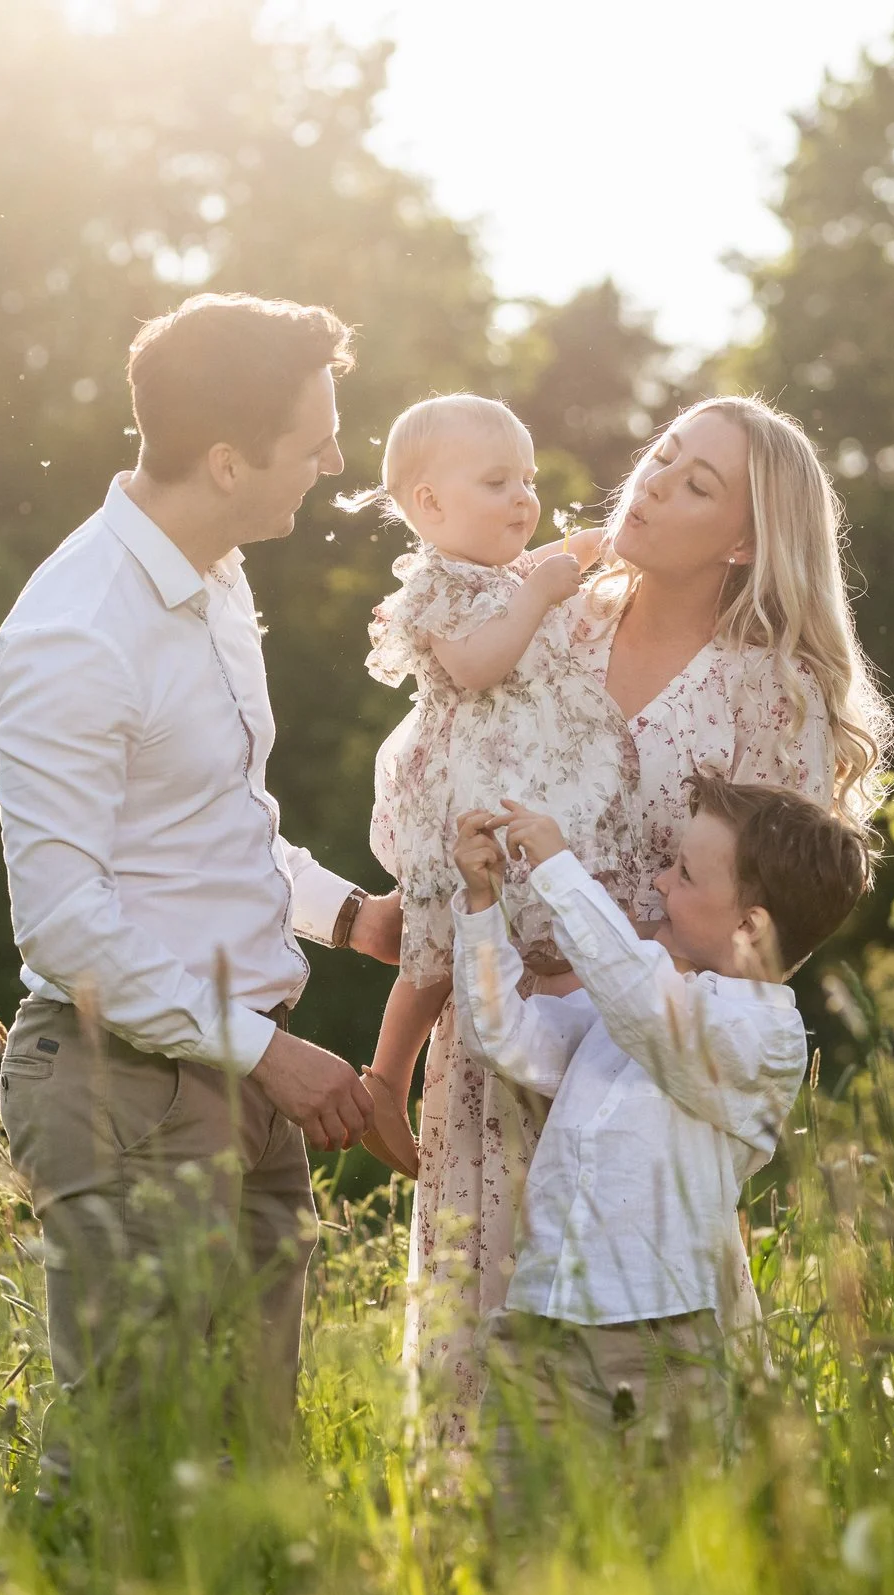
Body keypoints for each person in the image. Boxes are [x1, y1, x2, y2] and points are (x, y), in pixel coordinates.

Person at [404, 395, 894, 1449]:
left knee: (633, 1412)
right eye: (662, 457)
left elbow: (764, 915)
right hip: (503, 1039)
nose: (655, 482)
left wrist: (609, 970)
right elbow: (438, 780)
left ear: (746, 540)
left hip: (646, 1068)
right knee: (482, 1399)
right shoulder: (548, 614)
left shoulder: (776, 693)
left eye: (697, 482)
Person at [0, 293, 405, 1472]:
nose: (333, 460)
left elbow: (209, 825)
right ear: (226, 460)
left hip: (237, 1073)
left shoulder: (214, 575)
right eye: (315, 438)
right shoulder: (77, 631)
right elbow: (68, 923)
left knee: (249, 1471)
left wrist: (351, 917)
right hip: (125, 1091)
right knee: (130, 1466)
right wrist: (269, 1053)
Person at [447, 780, 872, 1476]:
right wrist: (482, 905)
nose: (658, 881)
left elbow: (645, 1004)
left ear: (750, 927)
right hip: (541, 1324)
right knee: (516, 1550)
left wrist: (557, 869)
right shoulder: (639, 1008)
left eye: (684, 873)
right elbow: (509, 1037)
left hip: (655, 1343)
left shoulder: (762, 1034)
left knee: (650, 1555)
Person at [348, 395, 630, 1179]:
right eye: (499, 481)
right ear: (429, 504)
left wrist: (594, 547)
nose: (524, 498)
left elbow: (547, 565)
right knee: (431, 941)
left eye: (529, 480)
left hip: (515, 775)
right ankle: (386, 1078)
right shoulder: (434, 587)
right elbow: (477, 666)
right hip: (458, 788)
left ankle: (537, 1060)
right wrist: (538, 592)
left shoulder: (502, 569)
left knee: (506, 931)